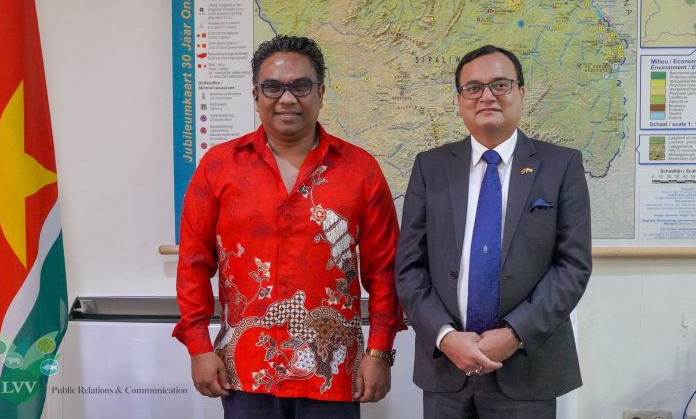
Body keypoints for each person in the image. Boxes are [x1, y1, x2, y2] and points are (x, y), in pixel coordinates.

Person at [173, 35, 405, 419]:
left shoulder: (360, 170)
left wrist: (380, 352)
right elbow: (194, 263)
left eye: (300, 86)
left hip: (332, 371)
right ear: (256, 94)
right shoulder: (219, 166)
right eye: (273, 87)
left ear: (321, 93)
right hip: (245, 369)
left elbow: (385, 269)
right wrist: (198, 346)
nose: (287, 98)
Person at [395, 44, 592, 418]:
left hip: (526, 368)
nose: (486, 96)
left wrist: (515, 334)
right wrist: (445, 336)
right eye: (473, 88)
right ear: (459, 101)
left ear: (521, 93)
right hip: (446, 368)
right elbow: (409, 268)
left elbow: (572, 266)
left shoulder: (560, 166)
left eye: (500, 85)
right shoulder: (430, 167)